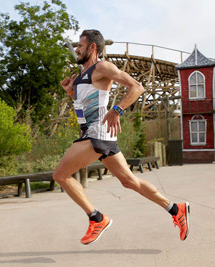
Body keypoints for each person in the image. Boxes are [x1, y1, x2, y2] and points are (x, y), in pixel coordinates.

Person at [53, 29, 190, 245]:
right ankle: (175, 209)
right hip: (95, 133)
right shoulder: (81, 76)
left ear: (92, 47)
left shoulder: (102, 67)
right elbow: (84, 105)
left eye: (80, 45)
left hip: (98, 132)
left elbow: (137, 87)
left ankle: (97, 218)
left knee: (61, 175)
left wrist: (117, 109)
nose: (76, 49)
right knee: (129, 181)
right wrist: (71, 92)